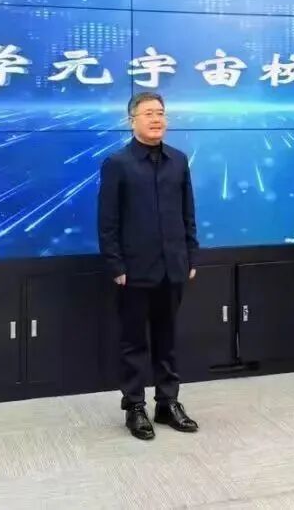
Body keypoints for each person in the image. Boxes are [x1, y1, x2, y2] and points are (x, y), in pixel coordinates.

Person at [98, 92, 199, 440]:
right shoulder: (118, 163)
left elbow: (188, 213)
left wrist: (191, 255)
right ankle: (135, 406)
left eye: (160, 113)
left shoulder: (179, 161)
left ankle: (168, 403)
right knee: (133, 342)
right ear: (132, 121)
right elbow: (107, 221)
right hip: (134, 270)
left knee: (167, 339)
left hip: (174, 266)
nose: (157, 119)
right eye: (149, 114)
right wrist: (115, 264)